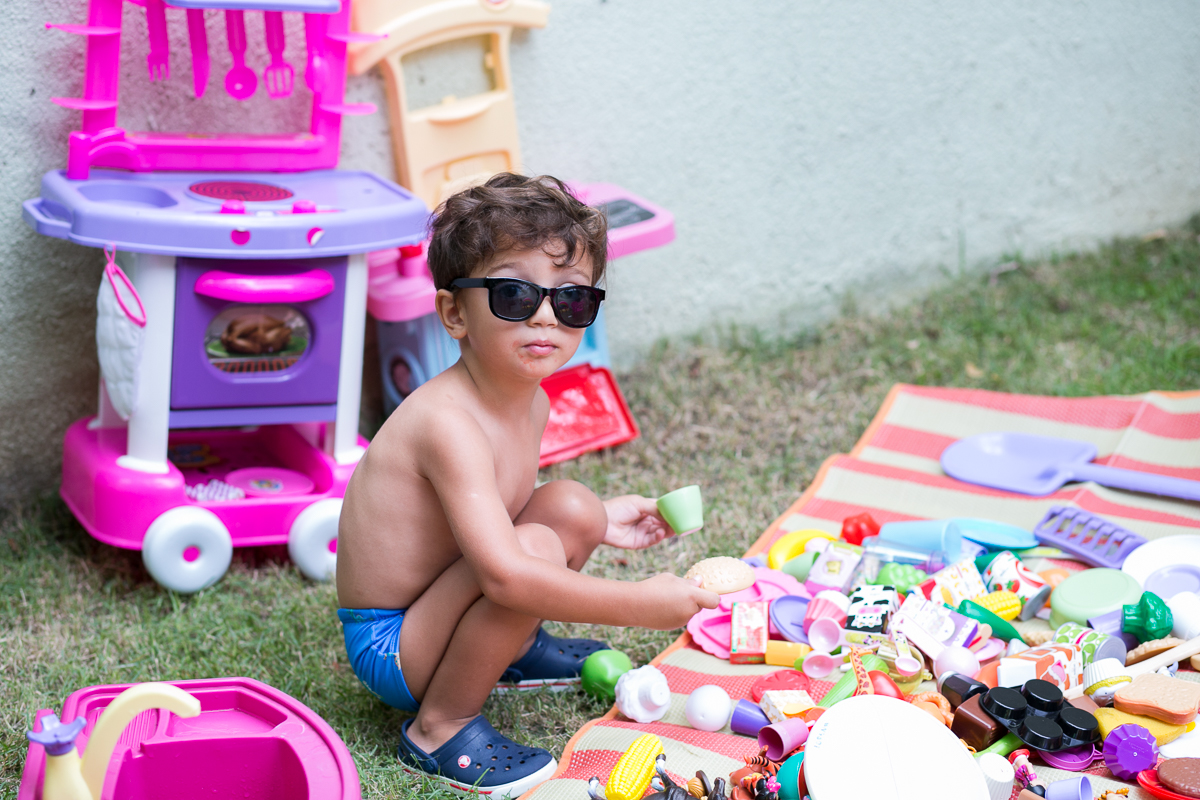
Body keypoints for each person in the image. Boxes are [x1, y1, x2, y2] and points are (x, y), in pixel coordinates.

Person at [336, 173, 718, 797]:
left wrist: (600, 516)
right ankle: (440, 725)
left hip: (444, 595)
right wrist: (637, 604)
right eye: (514, 295)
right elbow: (505, 573)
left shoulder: (529, 401)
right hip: (393, 644)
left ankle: (511, 648)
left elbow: (501, 509)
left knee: (570, 504)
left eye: (571, 301)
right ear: (455, 312)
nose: (545, 315)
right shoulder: (446, 423)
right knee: (530, 556)